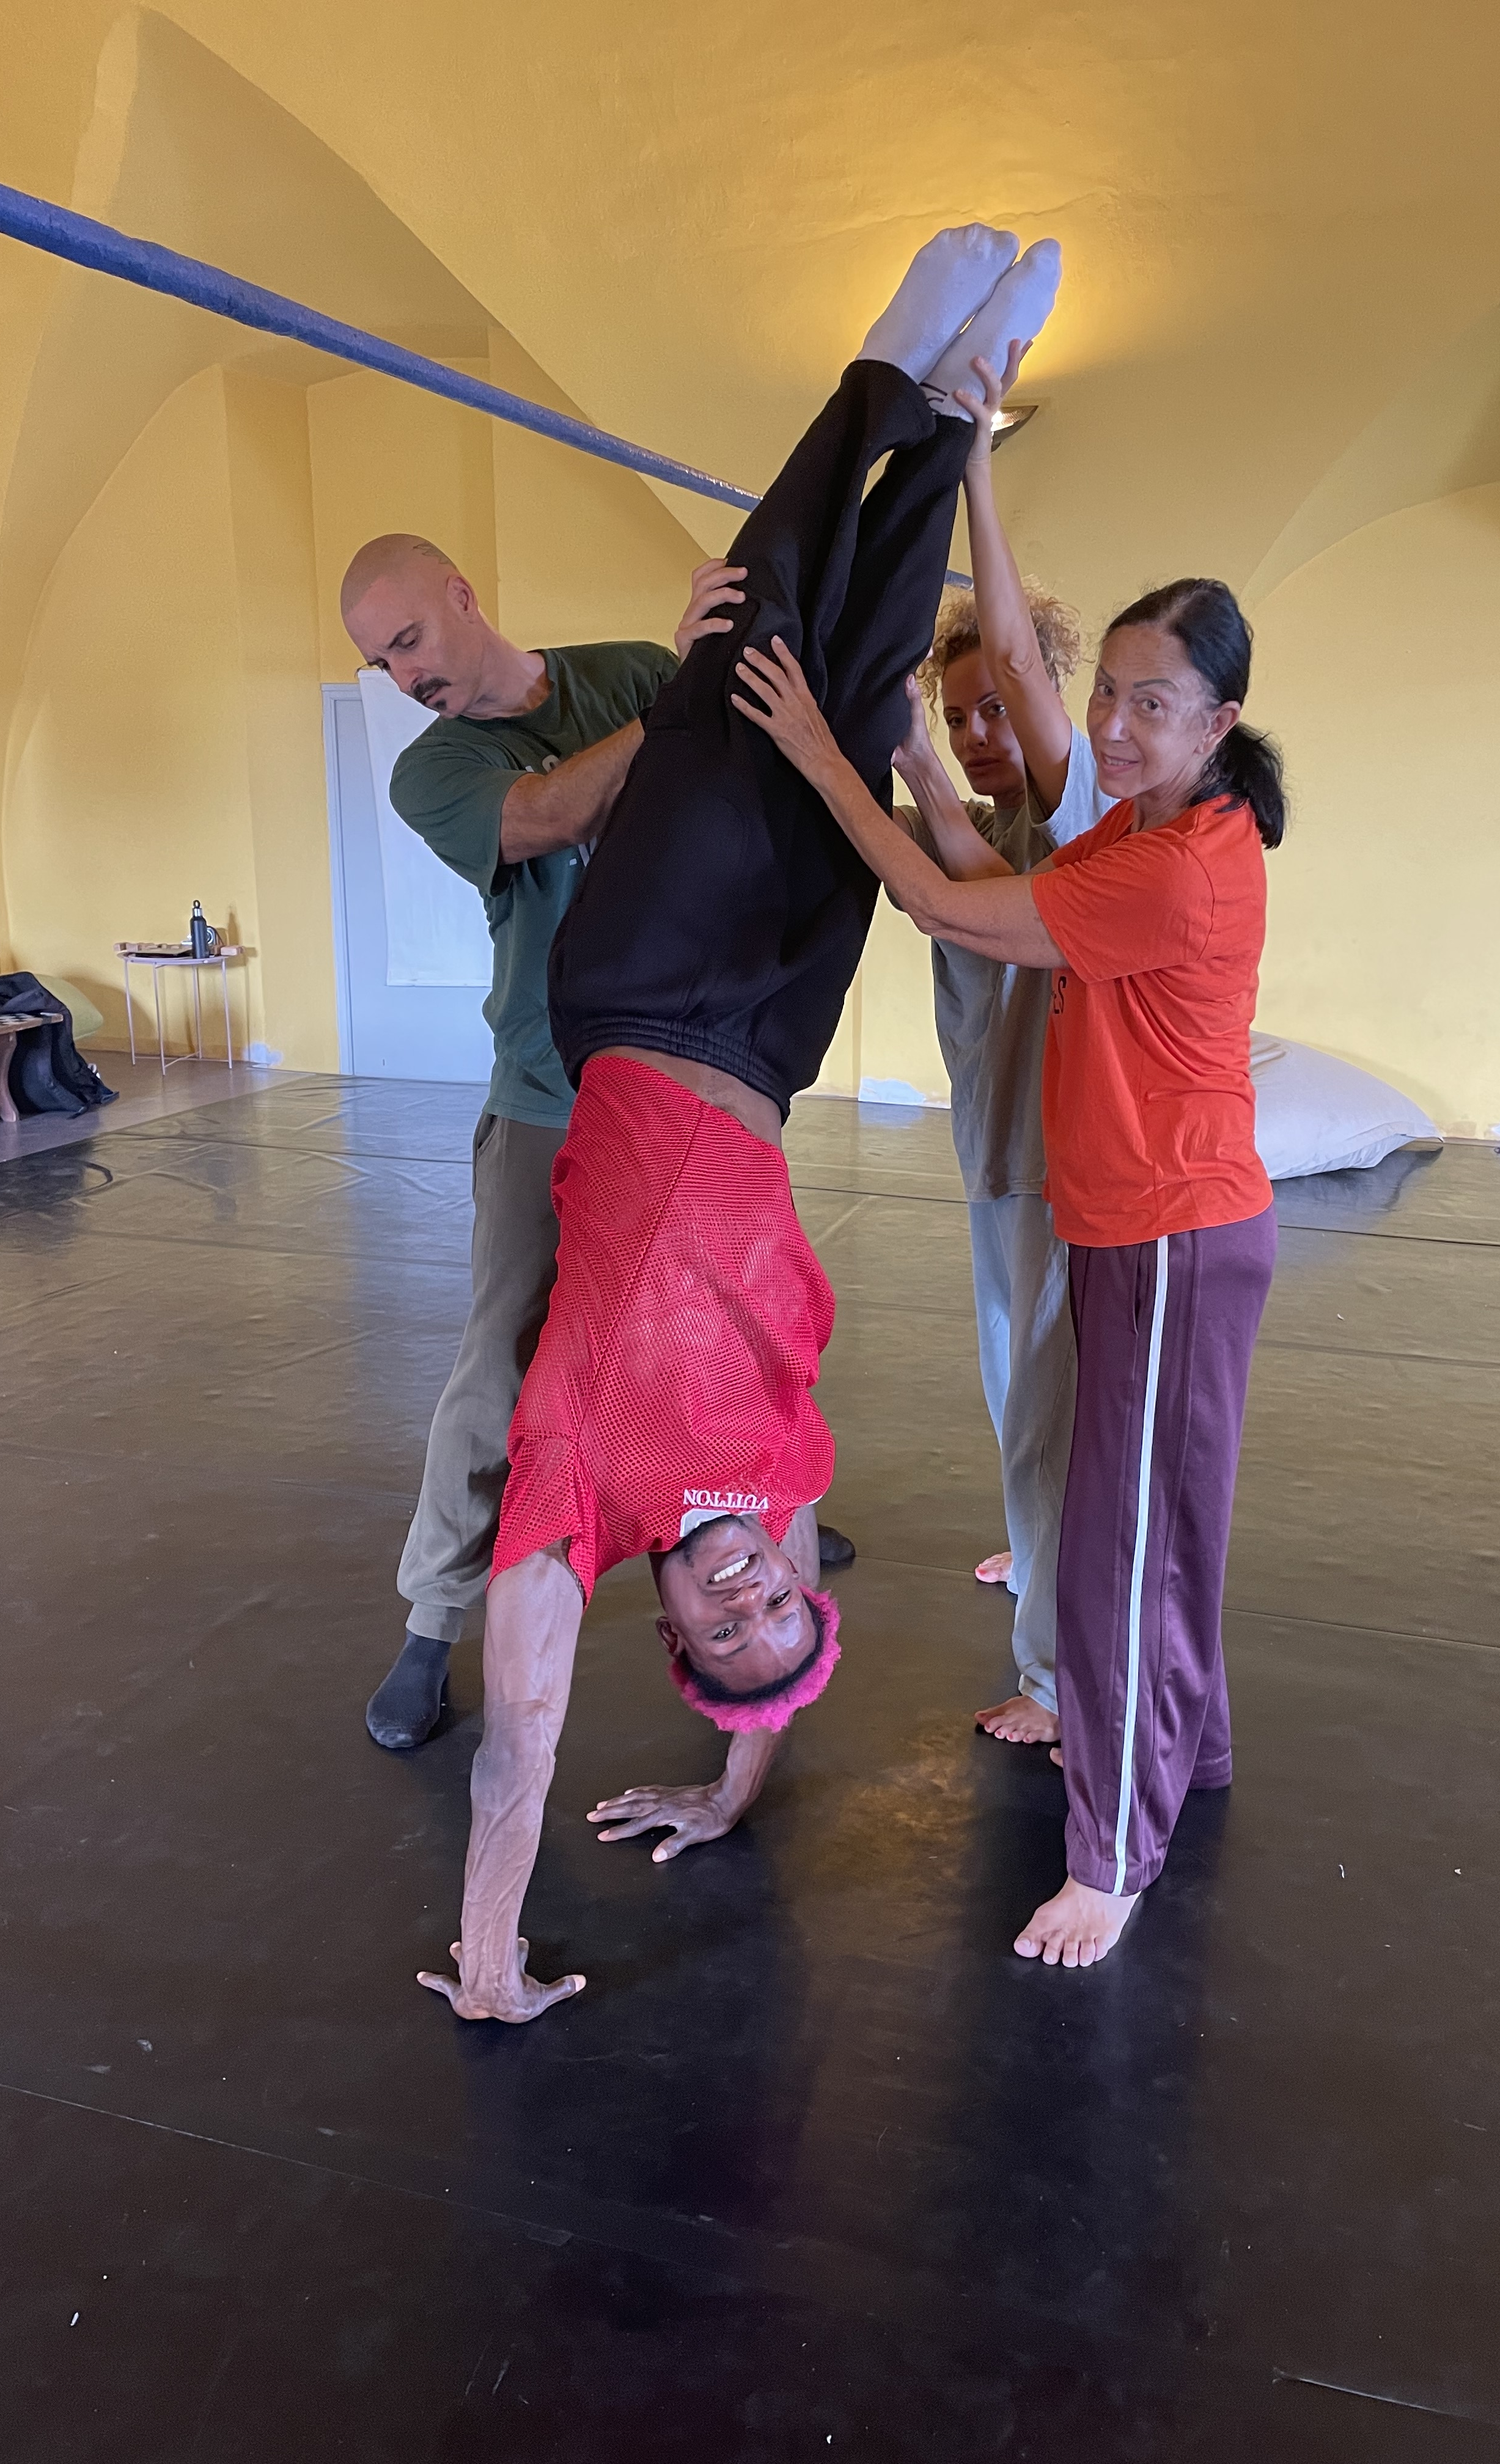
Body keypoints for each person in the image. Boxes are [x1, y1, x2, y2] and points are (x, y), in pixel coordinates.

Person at [415, 224, 1067, 2025]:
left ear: (677, 1623)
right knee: (839, 711)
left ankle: (871, 373)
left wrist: (489, 1962)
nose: (747, 1600)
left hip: (634, 1002)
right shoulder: (787, 1484)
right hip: (769, 1043)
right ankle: (952, 416)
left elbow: (522, 1744)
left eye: (723, 1628)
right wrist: (727, 1783)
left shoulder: (585, 1498)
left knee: (746, 637)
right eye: (779, 1610)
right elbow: (780, 1705)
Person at [735, 494, 1283, 1971]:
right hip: (1140, 1234)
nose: (1107, 723)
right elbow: (993, 849)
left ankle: (1109, 1854)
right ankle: (1194, 1749)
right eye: (1103, 690)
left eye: (1147, 703)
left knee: (1111, 1550)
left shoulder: (1174, 862)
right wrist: (972, 464)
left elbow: (940, 894)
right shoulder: (1156, 823)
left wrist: (818, 751)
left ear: (1218, 719)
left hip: (1170, 1241)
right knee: (1158, 1530)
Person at [339, 535, 858, 1753]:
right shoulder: (440, 768)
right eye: (378, 663)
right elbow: (554, 811)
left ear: (462, 595)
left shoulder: (623, 671)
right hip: (549, 1090)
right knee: (504, 1358)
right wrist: (681, 694)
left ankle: (769, 1511)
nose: (404, 675)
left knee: (747, 1326)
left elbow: (732, 770)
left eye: (409, 639)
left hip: (692, 1077)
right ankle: (432, 1621)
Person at [892, 358, 1106, 1748]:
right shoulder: (949, 830)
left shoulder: (1088, 814)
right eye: (956, 713)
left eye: (993, 709)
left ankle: (1049, 1680)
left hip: (1058, 1176)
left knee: (1045, 1414)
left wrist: (967, 457)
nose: (980, 734)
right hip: (992, 1169)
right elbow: (936, 859)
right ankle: (1032, 1555)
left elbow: (966, 861)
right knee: (1009, 1393)